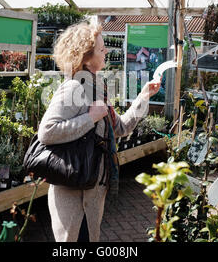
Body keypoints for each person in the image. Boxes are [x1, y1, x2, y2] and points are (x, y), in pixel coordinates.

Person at [37, 21, 161, 242]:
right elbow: (47, 132)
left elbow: (120, 127)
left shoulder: (96, 87)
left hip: (91, 190)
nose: (106, 52)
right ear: (86, 56)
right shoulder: (74, 87)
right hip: (72, 192)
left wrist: (143, 97)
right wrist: (89, 118)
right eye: (102, 49)